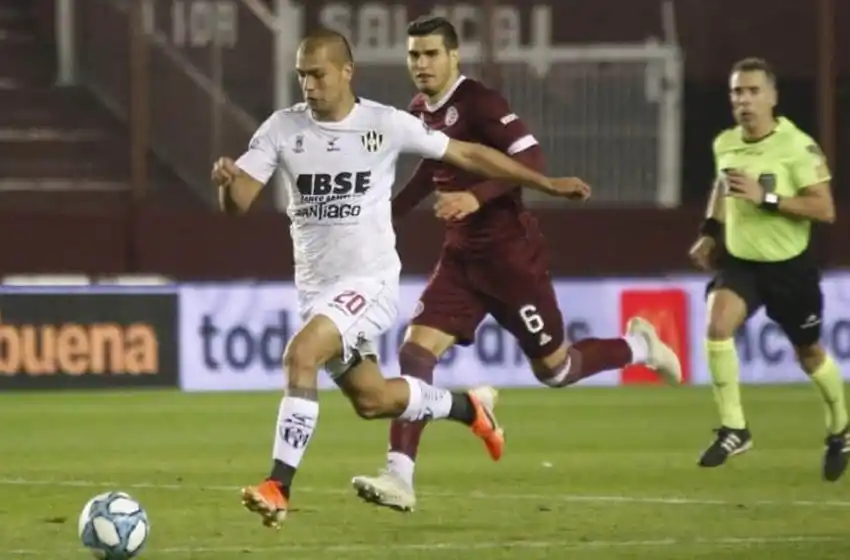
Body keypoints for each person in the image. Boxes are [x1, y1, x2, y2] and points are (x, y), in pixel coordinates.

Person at [210, 28, 596, 529]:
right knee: (373, 400)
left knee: (299, 355)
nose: (308, 84)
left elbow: (469, 155)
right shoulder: (281, 129)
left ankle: (278, 486)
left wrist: (545, 183)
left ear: (347, 72)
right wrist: (227, 183)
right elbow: (239, 204)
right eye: (302, 75)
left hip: (368, 283)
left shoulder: (386, 124)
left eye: (318, 74)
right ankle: (468, 407)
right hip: (317, 290)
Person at [350, 15, 682, 513]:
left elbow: (532, 162)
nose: (421, 64)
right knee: (416, 353)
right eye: (414, 55)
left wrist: (476, 199)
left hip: (510, 261)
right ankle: (400, 475)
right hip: (461, 260)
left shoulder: (481, 103)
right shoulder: (419, 109)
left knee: (556, 369)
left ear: (454, 56)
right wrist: (382, 215)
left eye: (431, 54)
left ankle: (639, 345)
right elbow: (427, 171)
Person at [688, 57, 845, 480]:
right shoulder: (726, 143)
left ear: (772, 97)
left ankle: (841, 426)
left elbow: (824, 209)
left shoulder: (798, 147)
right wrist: (709, 231)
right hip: (742, 264)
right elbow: (721, 185)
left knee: (808, 353)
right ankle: (735, 428)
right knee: (718, 325)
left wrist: (768, 199)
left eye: (753, 91)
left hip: (789, 268)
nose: (744, 100)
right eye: (737, 92)